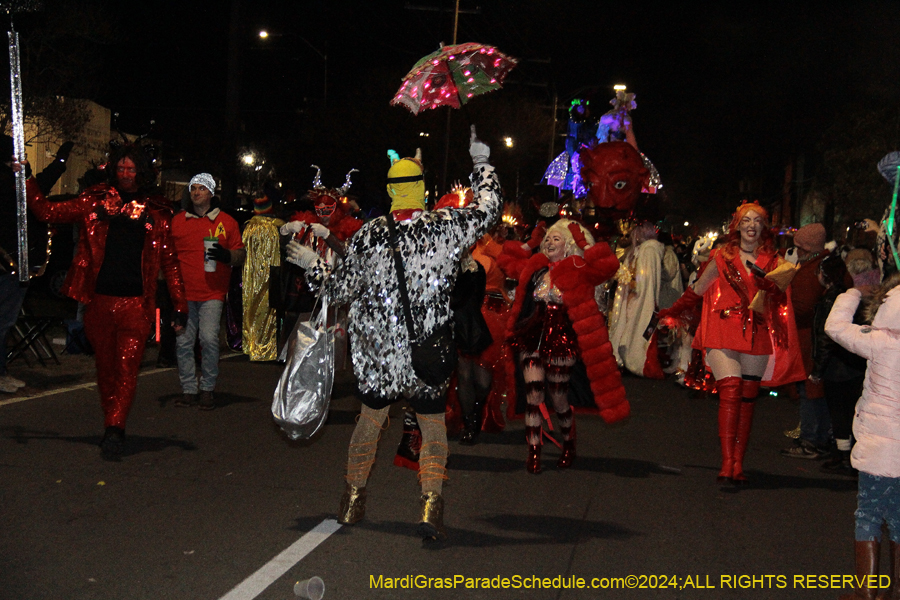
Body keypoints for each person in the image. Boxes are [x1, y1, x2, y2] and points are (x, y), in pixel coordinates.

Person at [285, 126, 501, 541]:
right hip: (427, 353)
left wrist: (314, 262)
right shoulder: (446, 227)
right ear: (421, 190)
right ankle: (431, 504)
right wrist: (481, 163)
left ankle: (352, 500)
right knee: (432, 426)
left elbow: (336, 290)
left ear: (389, 191)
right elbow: (489, 209)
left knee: (369, 421)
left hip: (379, 357)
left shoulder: (370, 234)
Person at [25, 143, 187, 458]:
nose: (126, 175)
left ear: (142, 172)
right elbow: (47, 211)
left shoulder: (157, 210)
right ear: (114, 169)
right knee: (105, 369)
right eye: (121, 168)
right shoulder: (94, 201)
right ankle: (111, 420)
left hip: (136, 305)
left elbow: (171, 264)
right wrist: (28, 179)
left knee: (127, 368)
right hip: (98, 301)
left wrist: (180, 306)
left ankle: (115, 428)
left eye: (132, 169)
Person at [660, 201, 804, 484]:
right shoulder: (722, 257)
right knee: (731, 388)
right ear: (737, 225)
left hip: (757, 335)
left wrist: (771, 289)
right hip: (723, 331)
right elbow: (697, 291)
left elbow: (780, 304)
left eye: (757, 221)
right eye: (746, 220)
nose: (751, 225)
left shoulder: (775, 263)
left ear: (764, 227)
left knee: (748, 400)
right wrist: (670, 312)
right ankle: (727, 462)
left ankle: (738, 462)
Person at [498, 218, 629, 474]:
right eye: (547, 239)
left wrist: (581, 240)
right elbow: (506, 260)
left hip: (561, 338)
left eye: (555, 239)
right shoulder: (536, 268)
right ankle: (533, 451)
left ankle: (568, 444)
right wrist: (531, 242)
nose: (549, 242)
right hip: (532, 335)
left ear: (567, 246)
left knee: (558, 397)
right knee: (533, 395)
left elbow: (608, 265)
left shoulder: (579, 268)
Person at [825, 275, 900, 600]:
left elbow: (835, 327)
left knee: (869, 513)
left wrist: (854, 292)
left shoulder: (879, 340)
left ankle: (866, 591)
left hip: (878, 447)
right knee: (899, 516)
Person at [0, 137, 72, 392]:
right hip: (7, 264)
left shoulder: (20, 184)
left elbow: (42, 184)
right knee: (4, 320)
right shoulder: (8, 185)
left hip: (17, 264)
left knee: (7, 319)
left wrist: (61, 161)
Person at [170, 173, 245, 410]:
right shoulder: (178, 221)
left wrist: (225, 256)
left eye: (202, 188)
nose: (196, 192)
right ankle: (189, 390)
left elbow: (240, 256)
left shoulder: (227, 222)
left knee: (209, 340)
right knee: (183, 342)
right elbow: (167, 257)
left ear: (211, 193)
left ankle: (207, 388)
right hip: (183, 293)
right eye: (193, 188)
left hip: (212, 292)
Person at [781, 223, 834, 460]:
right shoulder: (827, 264)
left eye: (799, 247)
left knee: (809, 389)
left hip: (808, 338)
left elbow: (802, 308)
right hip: (821, 338)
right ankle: (821, 438)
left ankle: (811, 440)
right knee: (818, 389)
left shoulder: (809, 271)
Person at [810, 254, 865, 476]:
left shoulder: (829, 300)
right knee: (850, 410)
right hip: (852, 363)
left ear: (825, 276)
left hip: (837, 366)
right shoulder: (849, 298)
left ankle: (845, 456)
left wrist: (817, 369)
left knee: (839, 411)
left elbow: (826, 338)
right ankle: (848, 454)